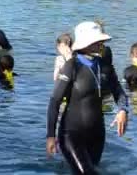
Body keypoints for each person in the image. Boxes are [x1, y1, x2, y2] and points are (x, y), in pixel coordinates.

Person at [47, 21, 128, 175]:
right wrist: (50, 136)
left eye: (101, 41)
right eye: (98, 41)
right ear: (86, 43)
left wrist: (123, 109)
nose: (102, 44)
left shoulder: (105, 66)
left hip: (97, 135)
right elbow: (55, 101)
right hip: (71, 135)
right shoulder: (71, 66)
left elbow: (119, 91)